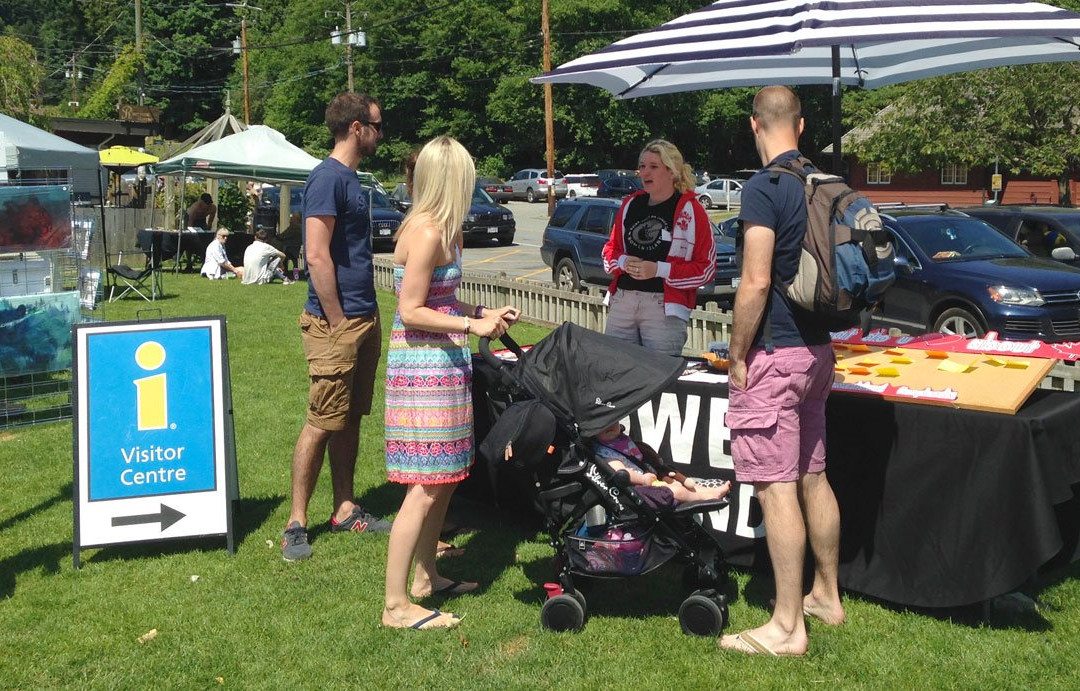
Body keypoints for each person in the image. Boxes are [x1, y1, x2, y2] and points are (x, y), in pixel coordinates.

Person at [719, 86, 845, 658]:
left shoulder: (764, 189)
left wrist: (739, 354)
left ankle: (787, 627)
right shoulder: (827, 184)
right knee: (813, 476)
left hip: (776, 357)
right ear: (800, 124)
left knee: (776, 490)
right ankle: (827, 595)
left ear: (754, 125)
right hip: (820, 354)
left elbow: (756, 280)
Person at [382, 135, 520, 630]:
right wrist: (471, 326)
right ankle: (395, 605)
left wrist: (484, 312)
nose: (474, 182)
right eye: (467, 174)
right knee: (424, 485)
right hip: (422, 366)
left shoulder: (446, 229)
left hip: (443, 362)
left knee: (444, 479)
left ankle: (426, 578)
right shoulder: (424, 233)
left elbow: (441, 300)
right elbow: (411, 309)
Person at [281, 92, 392, 562]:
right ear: (355, 128)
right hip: (337, 322)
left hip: (364, 315)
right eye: (376, 125)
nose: (380, 134)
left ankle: (345, 507)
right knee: (321, 420)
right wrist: (338, 319)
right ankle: (296, 522)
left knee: (349, 416)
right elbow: (316, 254)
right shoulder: (327, 178)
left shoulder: (352, 179)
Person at [601, 139, 715, 356]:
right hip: (623, 300)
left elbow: (706, 269)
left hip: (663, 306)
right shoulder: (630, 204)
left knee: (659, 376)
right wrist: (624, 262)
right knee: (615, 371)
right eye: (642, 166)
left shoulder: (691, 211)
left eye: (654, 167)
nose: (645, 173)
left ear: (671, 172)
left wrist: (659, 270)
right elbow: (609, 251)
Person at [593, 422, 730, 504]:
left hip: (650, 478)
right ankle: (706, 496)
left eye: (613, 421)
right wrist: (642, 478)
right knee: (675, 491)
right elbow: (620, 472)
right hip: (635, 489)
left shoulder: (620, 440)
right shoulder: (604, 452)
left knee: (677, 482)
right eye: (603, 425)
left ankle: (705, 490)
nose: (610, 426)